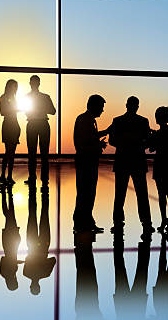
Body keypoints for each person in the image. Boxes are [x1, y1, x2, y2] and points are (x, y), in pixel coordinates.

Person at [108, 96, 154, 237]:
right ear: (137, 106)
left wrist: (124, 144)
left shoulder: (117, 121)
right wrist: (137, 144)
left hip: (122, 159)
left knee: (120, 193)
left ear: (126, 105)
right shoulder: (143, 121)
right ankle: (146, 223)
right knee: (142, 193)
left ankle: (118, 222)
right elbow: (147, 141)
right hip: (138, 159)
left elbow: (112, 141)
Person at [73, 94, 107, 233]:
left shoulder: (86, 119)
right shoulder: (85, 120)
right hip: (86, 161)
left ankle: (85, 221)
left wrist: (98, 143)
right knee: (86, 192)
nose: (102, 110)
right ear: (95, 106)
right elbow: (84, 141)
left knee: (86, 192)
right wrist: (97, 146)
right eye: (101, 107)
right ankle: (83, 222)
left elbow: (89, 138)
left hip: (87, 160)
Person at [148, 106, 168, 236]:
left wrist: (153, 136)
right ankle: (167, 218)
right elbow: (152, 148)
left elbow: (152, 148)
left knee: (165, 192)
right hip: (167, 162)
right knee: (166, 191)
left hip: (162, 163)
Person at [23, 187, 56, 295]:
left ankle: (44, 191)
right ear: (31, 286)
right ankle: (32, 192)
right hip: (32, 246)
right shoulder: (26, 273)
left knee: (44, 215)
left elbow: (53, 259)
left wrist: (43, 262)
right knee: (32, 215)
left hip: (43, 246)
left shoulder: (45, 274)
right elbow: (27, 259)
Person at [25, 75, 56, 186]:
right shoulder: (45, 97)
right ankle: (43, 177)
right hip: (41, 124)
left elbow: (53, 111)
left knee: (34, 152)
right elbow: (53, 111)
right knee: (42, 153)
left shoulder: (28, 97)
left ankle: (34, 177)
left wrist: (39, 109)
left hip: (35, 124)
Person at [112, 234, 151, 319]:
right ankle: (118, 234)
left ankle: (146, 237)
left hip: (136, 307)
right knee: (120, 267)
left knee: (141, 269)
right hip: (125, 307)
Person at [0, 183, 23, 291]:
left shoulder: (5, 273)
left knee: (10, 215)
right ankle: (6, 194)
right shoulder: (7, 273)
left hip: (10, 244)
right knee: (9, 215)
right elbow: (6, 259)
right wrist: (18, 262)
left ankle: (7, 193)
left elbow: (4, 259)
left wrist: (15, 262)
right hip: (10, 245)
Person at [74, 231, 101, 320]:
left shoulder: (82, 310)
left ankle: (82, 236)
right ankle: (82, 237)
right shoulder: (80, 310)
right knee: (85, 265)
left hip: (88, 292)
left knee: (85, 265)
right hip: (87, 292)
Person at [0, 79, 20, 185]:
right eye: (13, 86)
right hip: (8, 125)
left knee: (11, 153)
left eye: (15, 87)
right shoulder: (3, 98)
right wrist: (15, 110)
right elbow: (2, 112)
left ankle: (8, 175)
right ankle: (4, 175)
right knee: (8, 152)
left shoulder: (13, 98)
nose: (14, 89)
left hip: (14, 125)